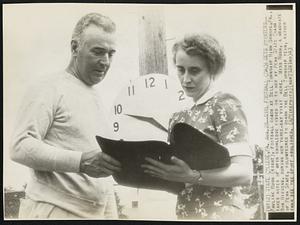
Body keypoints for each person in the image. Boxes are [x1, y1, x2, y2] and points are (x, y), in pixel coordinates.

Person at [10, 13, 122, 219]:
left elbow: (100, 169)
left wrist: (109, 214)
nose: (105, 61)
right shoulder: (48, 87)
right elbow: (19, 146)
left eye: (111, 53)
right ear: (74, 47)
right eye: (98, 52)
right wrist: (80, 161)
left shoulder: (95, 96)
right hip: (55, 210)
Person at [142, 33, 254, 220]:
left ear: (213, 70)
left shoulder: (224, 104)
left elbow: (244, 173)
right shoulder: (178, 116)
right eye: (180, 70)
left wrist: (193, 176)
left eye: (194, 71)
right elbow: (179, 176)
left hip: (222, 214)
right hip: (187, 213)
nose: (185, 79)